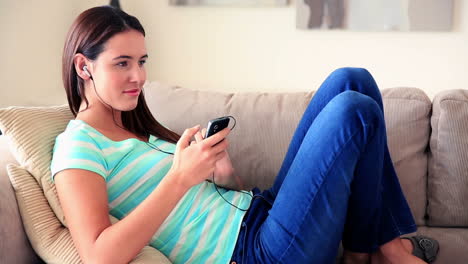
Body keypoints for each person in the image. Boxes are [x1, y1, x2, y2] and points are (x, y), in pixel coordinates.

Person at [50, 5, 439, 264]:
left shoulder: (133, 128)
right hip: (254, 253)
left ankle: (377, 250)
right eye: (122, 63)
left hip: (260, 212)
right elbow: (98, 255)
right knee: (354, 112)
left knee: (351, 80)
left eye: (142, 61)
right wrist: (179, 177)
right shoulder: (77, 145)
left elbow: (221, 199)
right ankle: (382, 250)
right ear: (84, 67)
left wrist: (221, 173)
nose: (139, 76)